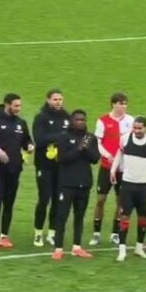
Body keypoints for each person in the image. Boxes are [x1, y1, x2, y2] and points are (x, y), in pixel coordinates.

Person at [110, 117, 146, 262]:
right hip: (128, 184)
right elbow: (119, 154)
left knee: (143, 218)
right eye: (135, 128)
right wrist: (113, 170)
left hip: (144, 185)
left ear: (145, 128)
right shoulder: (125, 139)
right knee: (125, 217)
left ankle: (139, 247)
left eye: (140, 128)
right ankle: (122, 250)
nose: (137, 131)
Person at [51, 110, 99, 261]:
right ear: (72, 121)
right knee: (62, 216)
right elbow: (62, 159)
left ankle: (76, 246)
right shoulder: (63, 137)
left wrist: (86, 149)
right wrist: (79, 149)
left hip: (84, 183)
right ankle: (58, 248)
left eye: (83, 120)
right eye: (77, 119)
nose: (81, 122)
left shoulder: (90, 137)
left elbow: (95, 159)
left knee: (80, 216)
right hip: (67, 184)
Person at [0, 94, 34, 251]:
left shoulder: (20, 123)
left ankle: (4, 235)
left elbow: (26, 140)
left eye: (20, 106)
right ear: (7, 105)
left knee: (9, 203)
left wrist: (29, 146)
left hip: (14, 169)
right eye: (16, 106)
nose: (19, 109)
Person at [93, 92, 134, 247]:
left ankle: (115, 233)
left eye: (125, 103)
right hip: (107, 166)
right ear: (113, 104)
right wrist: (107, 155)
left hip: (123, 168)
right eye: (121, 103)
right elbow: (97, 142)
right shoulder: (103, 121)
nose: (124, 106)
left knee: (120, 201)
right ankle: (96, 233)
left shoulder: (130, 121)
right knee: (101, 199)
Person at [31, 89, 70, 248]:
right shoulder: (41, 118)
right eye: (55, 99)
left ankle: (52, 233)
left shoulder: (67, 118)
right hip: (44, 166)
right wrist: (61, 136)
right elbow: (39, 140)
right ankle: (38, 233)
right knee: (44, 198)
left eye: (60, 99)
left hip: (61, 166)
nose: (58, 102)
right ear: (48, 100)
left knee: (57, 200)